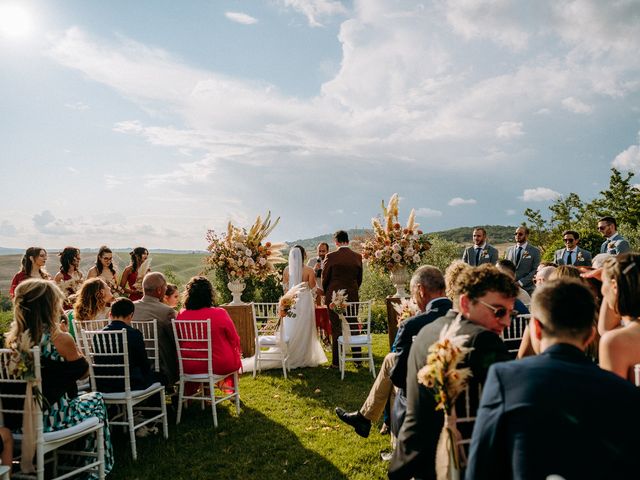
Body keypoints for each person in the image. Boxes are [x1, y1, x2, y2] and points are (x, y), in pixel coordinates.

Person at [466, 279, 640, 479]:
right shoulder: (624, 391)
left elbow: (481, 466)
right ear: (591, 335)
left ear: (536, 329)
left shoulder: (505, 378)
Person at [389, 265, 516, 480]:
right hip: (463, 463)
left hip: (417, 460)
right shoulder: (484, 341)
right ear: (466, 303)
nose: (506, 322)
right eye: (498, 311)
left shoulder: (425, 333)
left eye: (510, 313)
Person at [6, 279, 114, 475]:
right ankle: (93, 467)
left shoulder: (14, 341)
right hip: (50, 418)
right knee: (96, 399)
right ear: (50, 305)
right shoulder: (59, 339)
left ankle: (69, 458)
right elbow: (83, 372)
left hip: (18, 420)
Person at [334, 266, 451, 438]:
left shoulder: (412, 325)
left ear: (421, 290)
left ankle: (381, 426)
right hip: (460, 390)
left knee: (392, 375)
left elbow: (400, 377)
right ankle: (365, 418)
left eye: (413, 294)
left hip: (424, 394)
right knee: (390, 360)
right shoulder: (466, 318)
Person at [176, 276, 241, 391]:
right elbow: (234, 339)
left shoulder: (182, 315)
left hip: (190, 366)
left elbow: (180, 340)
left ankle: (206, 392)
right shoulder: (219, 313)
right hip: (218, 365)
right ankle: (227, 387)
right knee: (230, 353)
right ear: (210, 294)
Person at [96, 298, 158, 392]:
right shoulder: (134, 333)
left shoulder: (98, 335)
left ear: (110, 315)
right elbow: (143, 362)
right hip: (129, 383)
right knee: (161, 377)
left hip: (104, 384)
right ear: (131, 315)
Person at [280, 246, 327, 368]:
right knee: (306, 327)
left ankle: (290, 353)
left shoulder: (286, 270)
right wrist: (326, 292)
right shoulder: (309, 270)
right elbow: (314, 288)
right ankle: (304, 356)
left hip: (290, 302)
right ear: (304, 255)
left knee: (291, 326)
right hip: (305, 302)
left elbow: (285, 289)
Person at [322, 230, 363, 368]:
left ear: (336, 242)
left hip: (333, 297)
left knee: (336, 327)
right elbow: (359, 279)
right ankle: (358, 360)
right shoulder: (358, 257)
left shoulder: (331, 256)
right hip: (352, 296)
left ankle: (336, 363)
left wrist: (329, 291)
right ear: (348, 240)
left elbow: (325, 278)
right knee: (353, 325)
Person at [598, 253, 640, 381]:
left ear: (614, 286)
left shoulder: (617, 341)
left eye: (602, 283)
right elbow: (605, 329)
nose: (602, 290)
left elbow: (613, 399)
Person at [132, 272, 178, 387]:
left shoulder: (131, 308)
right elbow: (176, 340)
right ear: (159, 290)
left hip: (136, 365)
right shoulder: (167, 311)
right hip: (161, 368)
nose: (166, 289)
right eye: (165, 287)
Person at [504, 226, 541, 295]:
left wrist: (520, 282)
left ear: (526, 236)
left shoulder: (535, 251)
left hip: (528, 289)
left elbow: (535, 270)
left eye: (520, 234)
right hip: (510, 288)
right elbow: (505, 268)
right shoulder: (509, 250)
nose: (517, 236)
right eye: (516, 234)